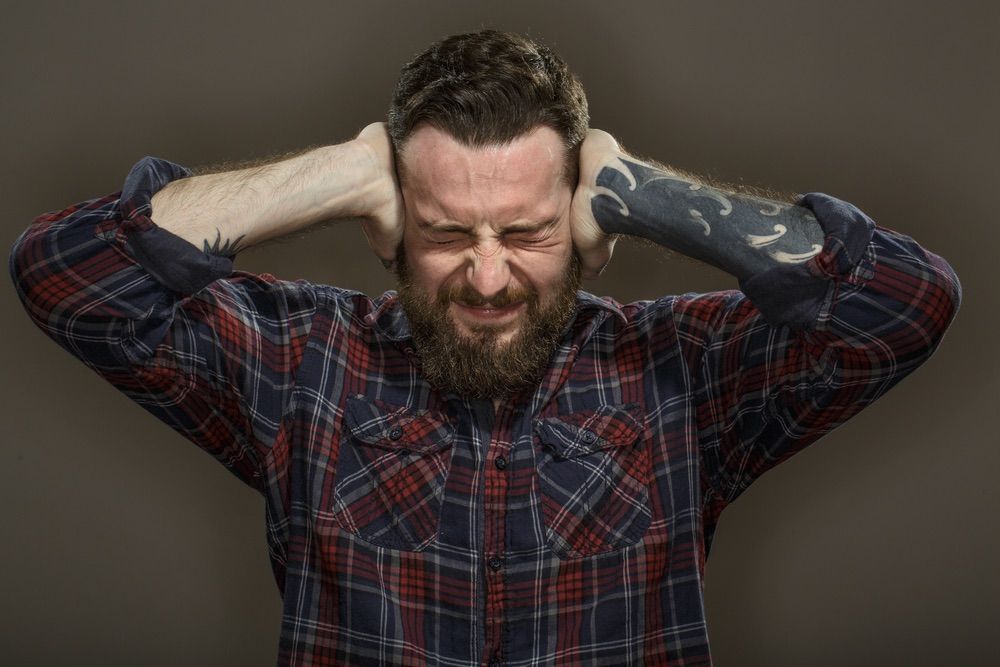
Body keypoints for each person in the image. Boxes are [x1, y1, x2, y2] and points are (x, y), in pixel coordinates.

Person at [9, 28, 961, 667]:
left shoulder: (684, 373)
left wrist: (649, 194)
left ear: (588, 222)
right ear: (388, 229)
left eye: (528, 233)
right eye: (447, 233)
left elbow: (902, 305)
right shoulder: (302, 363)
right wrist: (329, 174)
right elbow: (70, 277)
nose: (490, 277)